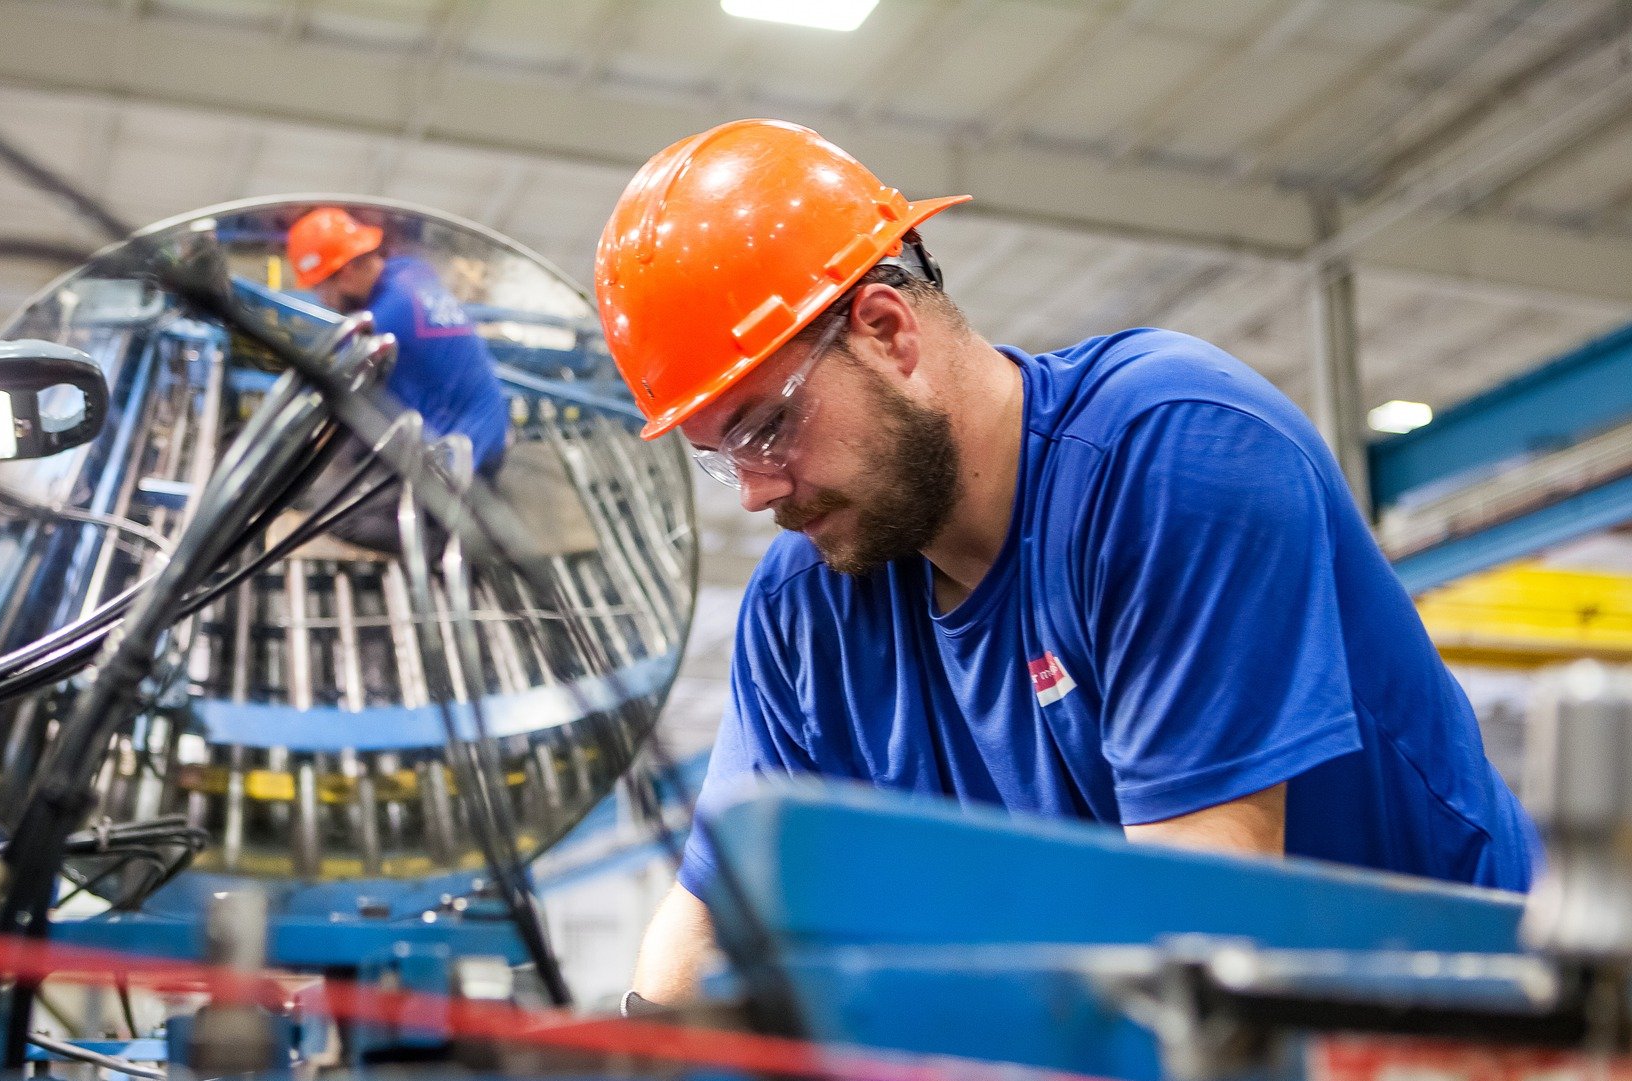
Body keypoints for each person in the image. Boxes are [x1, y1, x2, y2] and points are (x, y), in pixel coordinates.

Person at [593, 119, 1542, 1006]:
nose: (757, 492)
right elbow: (716, 915)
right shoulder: (808, 609)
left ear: (888, 332)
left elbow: (1202, 922)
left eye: (767, 426)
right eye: (722, 457)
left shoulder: (1173, 455)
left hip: (1467, 1046)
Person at [285, 207, 510, 550]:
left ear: (344, 273)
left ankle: (455, 545)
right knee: (354, 445)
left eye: (320, 287)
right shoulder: (410, 272)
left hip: (462, 459)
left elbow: (340, 397)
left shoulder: (380, 327)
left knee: (334, 515)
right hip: (489, 427)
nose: (321, 299)